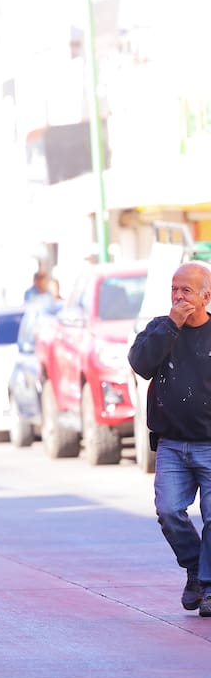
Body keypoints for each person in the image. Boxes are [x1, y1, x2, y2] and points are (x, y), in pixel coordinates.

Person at [127, 260, 211, 617]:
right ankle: (195, 568)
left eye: (186, 291)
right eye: (174, 290)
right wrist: (171, 326)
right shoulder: (159, 329)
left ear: (206, 297)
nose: (178, 297)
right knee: (168, 512)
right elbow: (141, 364)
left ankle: (207, 587)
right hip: (172, 445)